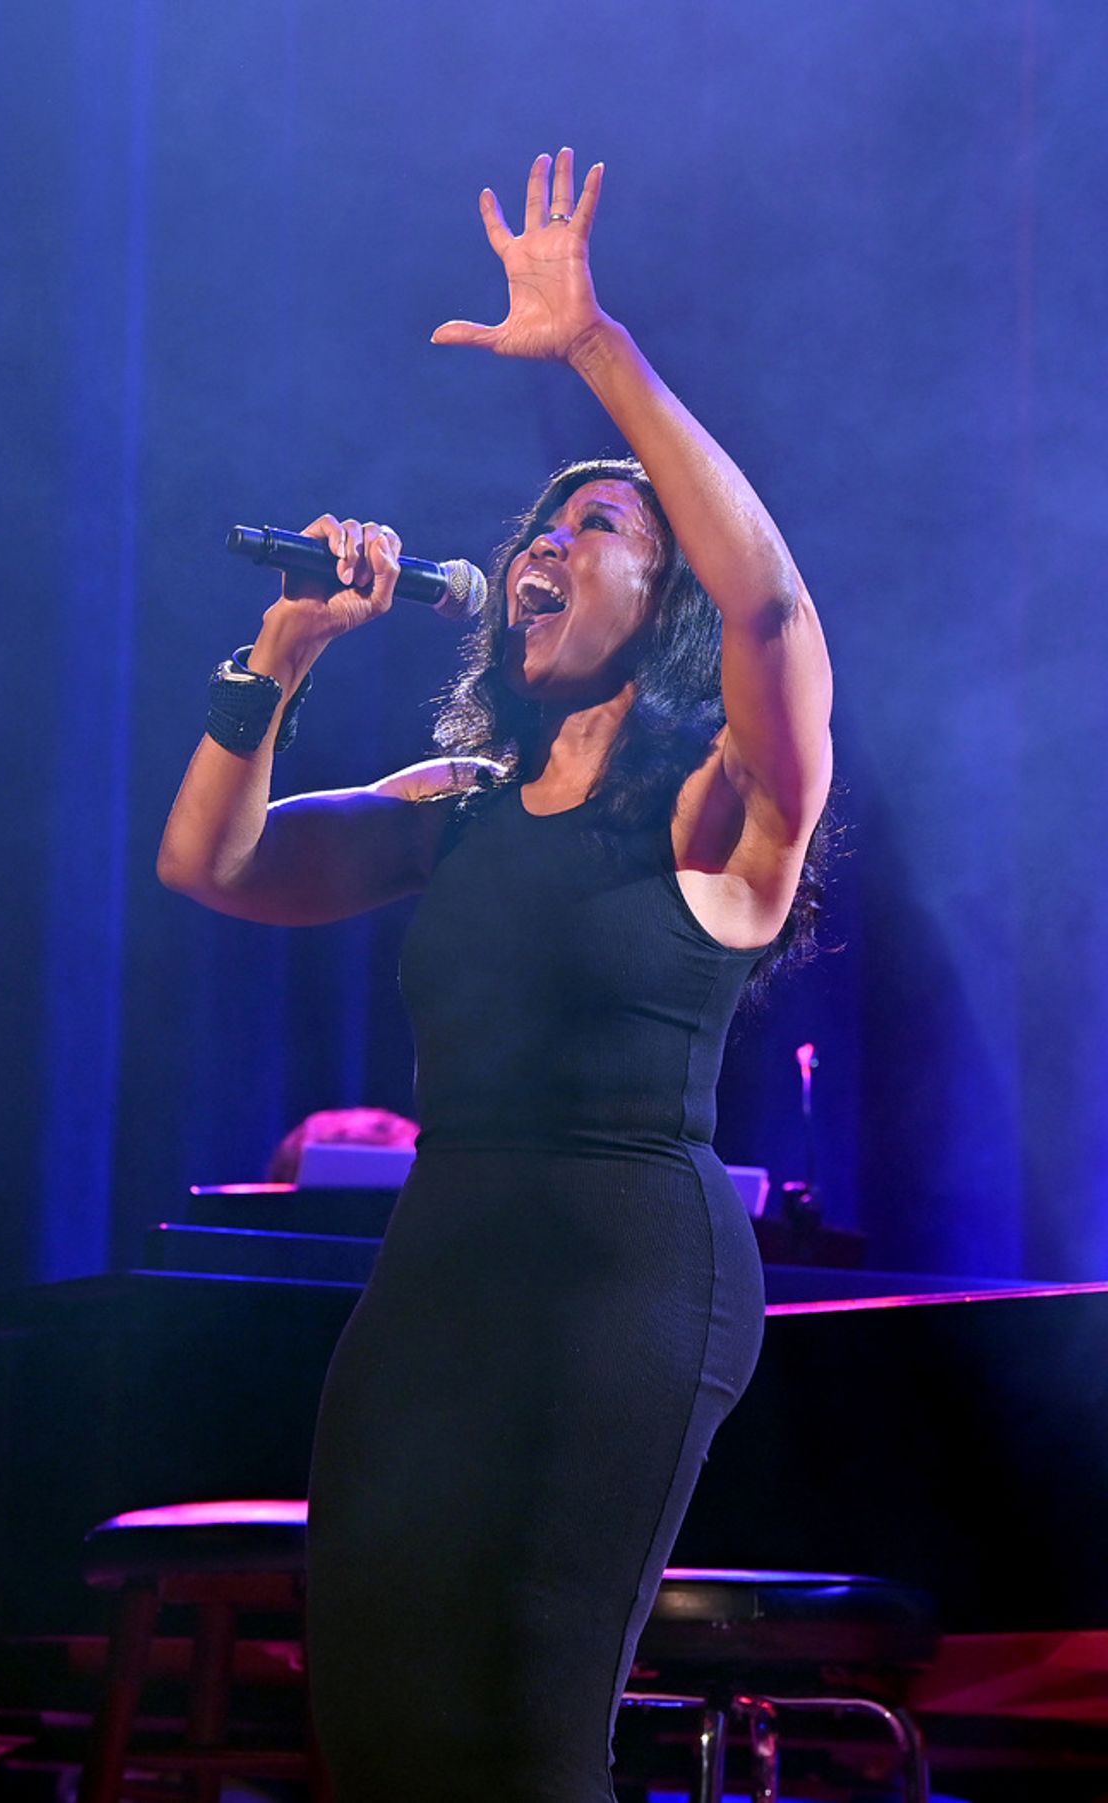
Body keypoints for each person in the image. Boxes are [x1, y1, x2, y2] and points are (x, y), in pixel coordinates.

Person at [159, 148, 833, 1803]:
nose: (548, 542)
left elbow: (774, 608)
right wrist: (279, 660)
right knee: (382, 1725)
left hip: (624, 1278)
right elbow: (215, 866)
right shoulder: (450, 807)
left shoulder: (715, 808)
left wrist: (595, 347)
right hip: (439, 1273)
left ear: (661, 596)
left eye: (602, 527)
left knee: (520, 1736)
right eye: (544, 522)